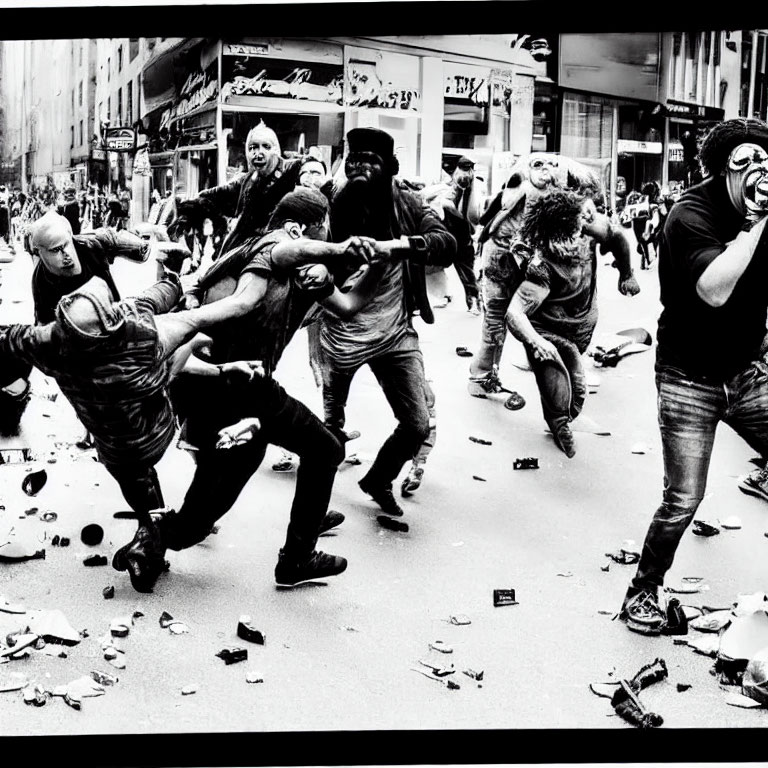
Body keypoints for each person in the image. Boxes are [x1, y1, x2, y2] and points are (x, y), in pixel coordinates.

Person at [148, 187, 390, 589]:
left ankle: (158, 539)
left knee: (206, 510)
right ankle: (292, 558)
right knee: (322, 450)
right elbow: (285, 252)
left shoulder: (289, 268)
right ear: (296, 229)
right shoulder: (271, 248)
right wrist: (339, 250)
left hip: (238, 391)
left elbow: (348, 306)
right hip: (234, 387)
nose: (323, 243)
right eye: (318, 234)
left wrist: (378, 265)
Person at [620, 118, 768, 635]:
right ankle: (642, 590)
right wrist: (753, 227)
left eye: (764, 161)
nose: (756, 170)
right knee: (684, 498)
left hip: (747, 372)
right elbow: (714, 289)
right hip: (688, 380)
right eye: (743, 162)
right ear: (722, 168)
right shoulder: (690, 214)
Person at [0, 270, 234, 591]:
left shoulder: (51, 343)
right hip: (154, 434)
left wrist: (174, 288)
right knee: (145, 483)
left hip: (115, 447)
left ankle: (152, 537)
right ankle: (154, 541)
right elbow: (163, 345)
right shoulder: (137, 338)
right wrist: (180, 294)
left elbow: (10, 337)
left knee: (137, 483)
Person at [319, 127, 456, 519]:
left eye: (371, 160)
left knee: (416, 423)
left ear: (391, 167)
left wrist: (397, 247)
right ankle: (315, 510)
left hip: (394, 332)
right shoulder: (330, 201)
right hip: (339, 331)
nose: (360, 166)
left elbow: (446, 243)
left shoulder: (410, 204)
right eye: (354, 159)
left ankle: (378, 479)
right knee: (331, 431)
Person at [506, 189, 638, 457]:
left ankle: (560, 416)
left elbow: (618, 237)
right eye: (578, 221)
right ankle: (558, 423)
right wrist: (537, 341)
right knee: (563, 391)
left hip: (581, 329)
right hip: (549, 332)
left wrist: (626, 274)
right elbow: (514, 313)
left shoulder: (589, 232)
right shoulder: (542, 265)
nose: (584, 223)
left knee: (574, 397)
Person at [170, 121, 302, 257]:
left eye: (266, 147)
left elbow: (306, 168)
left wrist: (308, 172)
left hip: (278, 251)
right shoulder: (248, 179)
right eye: (253, 148)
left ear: (276, 150)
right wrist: (191, 207)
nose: (258, 153)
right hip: (245, 249)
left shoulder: (291, 172)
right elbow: (218, 194)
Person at [422, 156, 484, 314]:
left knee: (465, 272)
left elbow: (473, 216)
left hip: (459, 238)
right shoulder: (447, 188)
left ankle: (473, 301)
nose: (466, 175)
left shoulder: (469, 188)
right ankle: (444, 295)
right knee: (437, 267)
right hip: (451, 236)